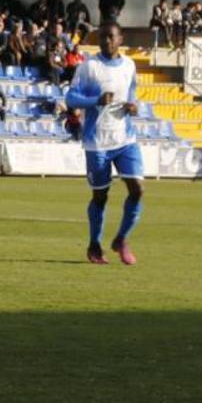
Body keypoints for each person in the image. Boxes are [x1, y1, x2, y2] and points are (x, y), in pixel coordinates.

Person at [64, 22, 144, 266]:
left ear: (121, 39)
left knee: (138, 189)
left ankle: (121, 239)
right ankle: (95, 245)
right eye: (102, 37)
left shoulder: (129, 65)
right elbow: (70, 97)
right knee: (101, 196)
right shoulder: (89, 67)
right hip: (97, 142)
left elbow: (132, 96)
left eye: (111, 37)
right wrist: (95, 100)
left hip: (125, 139)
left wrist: (133, 107)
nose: (106, 41)